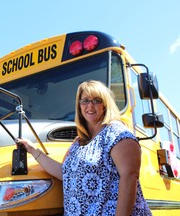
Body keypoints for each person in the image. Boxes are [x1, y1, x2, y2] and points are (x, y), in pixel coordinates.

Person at [17, 80, 152, 216]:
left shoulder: (117, 133)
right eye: (85, 101)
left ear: (105, 104)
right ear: (79, 106)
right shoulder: (79, 141)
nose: (90, 105)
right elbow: (64, 173)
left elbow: (129, 177)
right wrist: (33, 150)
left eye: (96, 100)